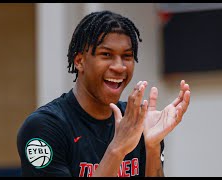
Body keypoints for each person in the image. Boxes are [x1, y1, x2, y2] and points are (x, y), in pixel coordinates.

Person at [17, 10, 190, 177]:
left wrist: (152, 148)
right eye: (106, 54)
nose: (119, 66)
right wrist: (117, 149)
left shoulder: (136, 122)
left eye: (127, 56)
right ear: (79, 61)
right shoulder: (44, 128)